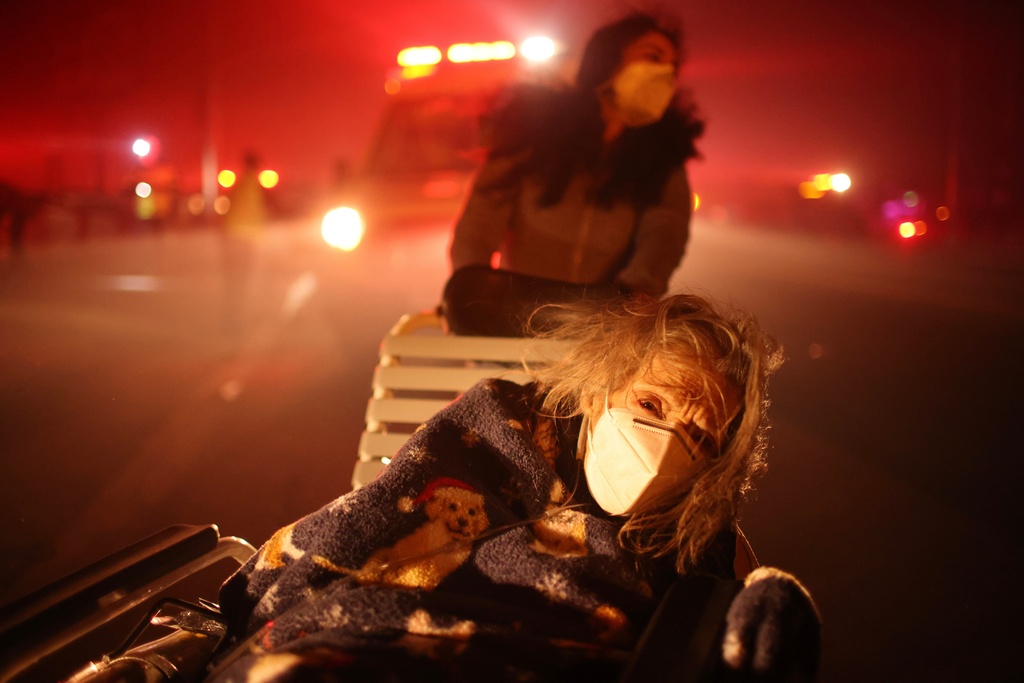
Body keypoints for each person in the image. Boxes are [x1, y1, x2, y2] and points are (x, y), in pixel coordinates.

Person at [208, 294, 820, 682]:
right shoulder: (502, 428)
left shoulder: (700, 532)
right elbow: (369, 523)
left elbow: (733, 609)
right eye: (651, 404)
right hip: (375, 645)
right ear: (601, 388)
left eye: (700, 437)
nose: (666, 445)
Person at [446, 10, 704, 325]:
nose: (663, 73)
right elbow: (483, 216)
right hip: (516, 316)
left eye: (671, 67)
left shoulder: (664, 158)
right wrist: (471, 288)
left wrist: (636, 295)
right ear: (608, 60)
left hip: (603, 325)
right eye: (652, 57)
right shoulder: (534, 129)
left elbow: (665, 230)